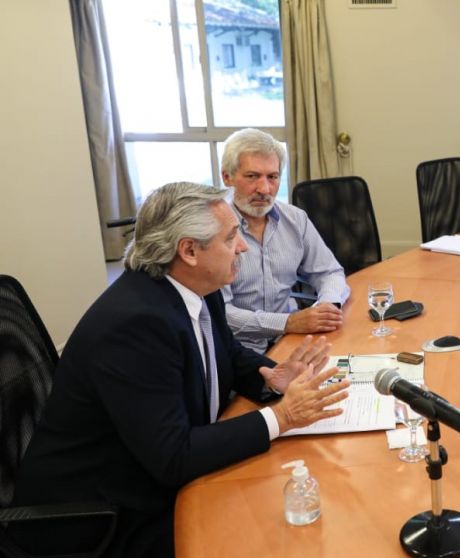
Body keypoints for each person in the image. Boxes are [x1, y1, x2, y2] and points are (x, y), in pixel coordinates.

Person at [11, 182, 351, 557]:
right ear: (189, 250)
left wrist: (272, 377)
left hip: (153, 470)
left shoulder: (196, 288)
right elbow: (173, 458)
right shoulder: (135, 325)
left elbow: (229, 354)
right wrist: (281, 417)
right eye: (231, 237)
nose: (241, 247)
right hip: (102, 517)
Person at [221, 128, 351, 354]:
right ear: (227, 177)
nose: (264, 189)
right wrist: (287, 322)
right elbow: (220, 313)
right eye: (252, 176)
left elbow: (329, 272)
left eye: (272, 177)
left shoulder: (295, 219)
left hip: (289, 341)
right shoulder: (211, 227)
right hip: (235, 351)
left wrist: (327, 306)